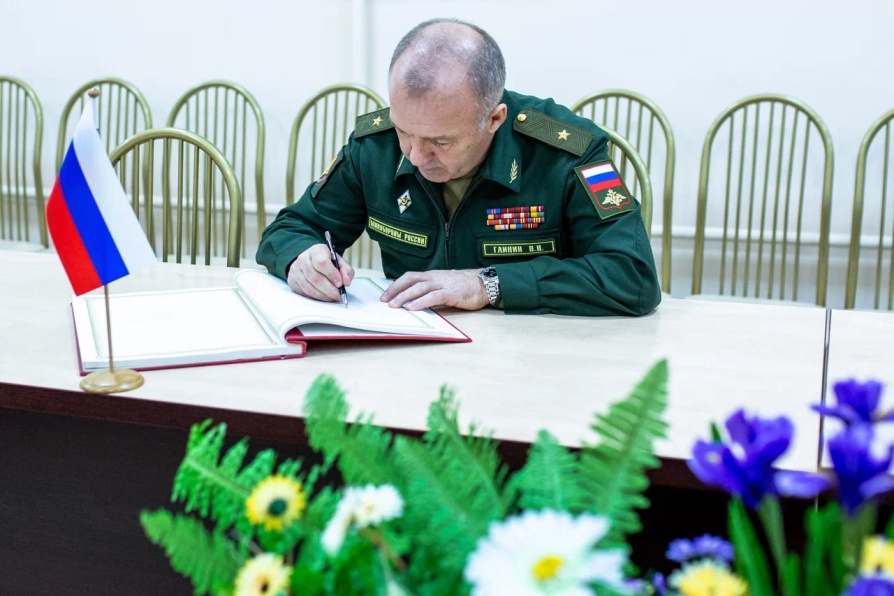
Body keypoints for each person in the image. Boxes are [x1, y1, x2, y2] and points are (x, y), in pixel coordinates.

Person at [257, 18, 661, 317]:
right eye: (404, 131)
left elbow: (633, 275)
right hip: (409, 353)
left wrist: (488, 285)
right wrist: (302, 258)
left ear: (495, 119)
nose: (416, 156)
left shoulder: (565, 152)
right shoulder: (374, 146)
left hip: (533, 360)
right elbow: (291, 228)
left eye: (441, 142)